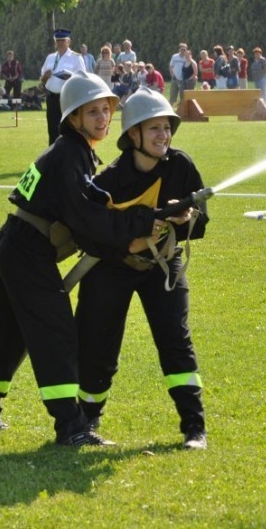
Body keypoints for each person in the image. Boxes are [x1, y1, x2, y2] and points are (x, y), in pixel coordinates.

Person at [0, 70, 163, 447]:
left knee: (9, 334)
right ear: (73, 118)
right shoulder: (70, 155)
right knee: (56, 333)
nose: (103, 118)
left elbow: (88, 217)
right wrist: (139, 224)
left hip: (14, 245)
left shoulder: (75, 151)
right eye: (93, 113)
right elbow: (88, 220)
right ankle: (71, 427)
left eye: (106, 110)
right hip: (25, 250)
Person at [76, 86, 209, 450]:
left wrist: (182, 221)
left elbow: (201, 225)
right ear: (132, 134)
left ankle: (194, 428)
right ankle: (85, 422)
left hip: (163, 266)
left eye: (166, 127)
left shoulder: (182, 167)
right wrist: (134, 233)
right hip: (111, 269)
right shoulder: (107, 182)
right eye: (153, 128)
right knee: (97, 345)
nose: (163, 135)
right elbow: (90, 235)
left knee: (175, 341)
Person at [40, 29, 85, 145]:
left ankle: (68, 155)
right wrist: (45, 76)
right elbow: (42, 80)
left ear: (69, 41)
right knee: (52, 130)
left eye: (63, 40)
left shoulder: (76, 57)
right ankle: (53, 156)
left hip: (67, 98)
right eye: (58, 40)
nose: (60, 43)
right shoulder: (50, 57)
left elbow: (83, 79)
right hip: (51, 98)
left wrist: (71, 78)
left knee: (68, 129)